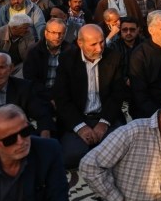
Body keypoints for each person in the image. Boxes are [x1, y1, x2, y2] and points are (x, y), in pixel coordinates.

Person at [53, 24, 127, 169]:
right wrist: (80, 127)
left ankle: (98, 147)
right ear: (80, 43)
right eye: (93, 44)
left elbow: (117, 95)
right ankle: (98, 149)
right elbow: (62, 98)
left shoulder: (114, 57)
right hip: (79, 117)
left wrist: (104, 123)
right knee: (70, 156)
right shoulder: (67, 59)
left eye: (102, 42)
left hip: (105, 116)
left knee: (124, 150)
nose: (99, 49)